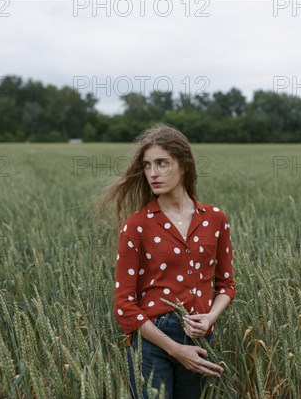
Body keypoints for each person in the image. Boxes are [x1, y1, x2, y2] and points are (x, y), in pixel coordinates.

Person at [98, 123, 236, 398]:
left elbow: (226, 285)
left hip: (198, 340)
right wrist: (175, 349)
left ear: (184, 165)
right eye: (148, 165)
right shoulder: (137, 225)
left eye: (162, 163)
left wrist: (209, 318)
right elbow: (124, 305)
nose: (153, 173)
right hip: (152, 342)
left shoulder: (215, 219)